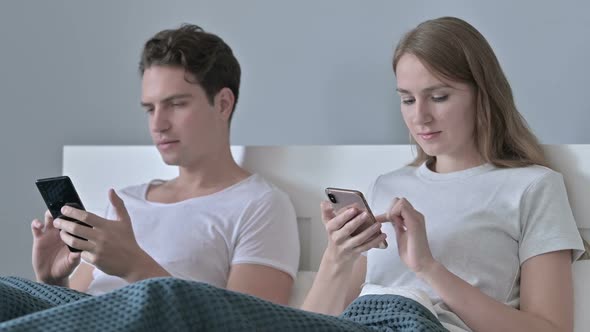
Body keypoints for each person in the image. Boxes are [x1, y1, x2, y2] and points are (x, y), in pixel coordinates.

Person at [0, 16, 584, 332]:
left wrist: (428, 266)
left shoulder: (532, 186)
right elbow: (317, 317)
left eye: (438, 96)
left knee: (162, 302)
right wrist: (337, 258)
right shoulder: (390, 188)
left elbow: (550, 331)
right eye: (407, 99)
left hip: (413, 323)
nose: (420, 117)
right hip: (354, 320)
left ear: (483, 94)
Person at [27, 24, 300, 305]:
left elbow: (249, 324)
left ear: (223, 104)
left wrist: (135, 266)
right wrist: (52, 281)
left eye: (176, 104)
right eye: (150, 109)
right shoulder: (123, 202)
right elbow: (69, 312)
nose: (158, 125)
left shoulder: (260, 205)